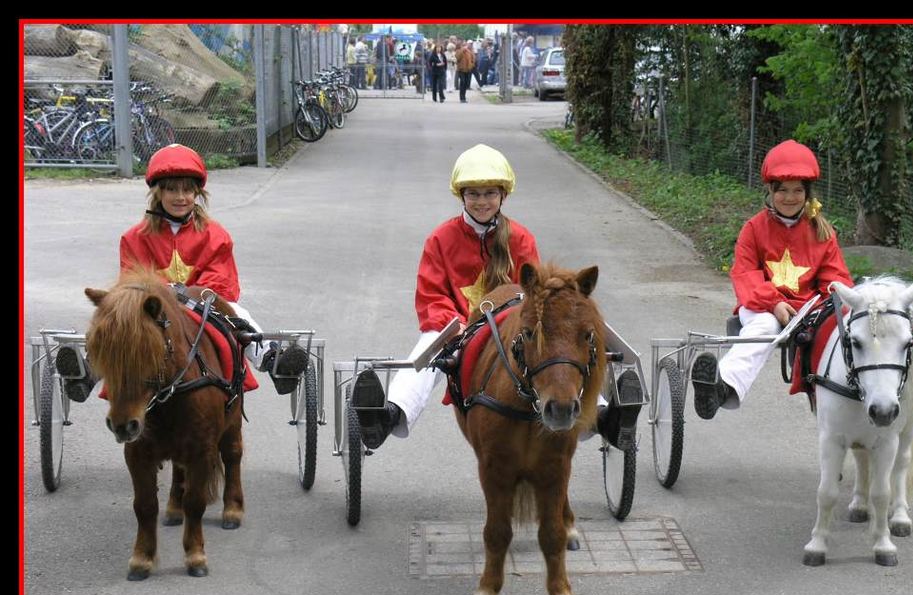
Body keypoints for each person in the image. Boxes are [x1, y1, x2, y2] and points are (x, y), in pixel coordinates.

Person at [351, 144, 642, 451]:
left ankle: (604, 416)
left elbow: (536, 296)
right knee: (428, 351)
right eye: (473, 194)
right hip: (455, 327)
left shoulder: (520, 237)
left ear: (503, 195)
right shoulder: (440, 238)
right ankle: (390, 413)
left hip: (511, 326)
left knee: (562, 350)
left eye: (490, 193)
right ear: (461, 195)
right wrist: (453, 327)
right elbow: (431, 294)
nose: (481, 201)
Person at [54, 144, 309, 402]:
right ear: (158, 192)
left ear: (197, 193)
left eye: (188, 189)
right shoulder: (135, 237)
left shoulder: (215, 234)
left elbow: (222, 280)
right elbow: (131, 283)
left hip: (204, 307)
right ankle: (89, 371)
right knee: (115, 319)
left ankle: (273, 361)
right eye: (172, 189)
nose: (181, 197)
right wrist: (162, 299)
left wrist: (187, 296)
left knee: (240, 315)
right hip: (153, 310)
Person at [691, 139, 853, 420]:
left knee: (840, 330)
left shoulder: (822, 232)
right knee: (765, 325)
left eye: (797, 191)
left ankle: (851, 397)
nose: (790, 198)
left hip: (808, 310)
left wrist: (831, 306)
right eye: (783, 191)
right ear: (770, 190)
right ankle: (722, 387)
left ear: (807, 193)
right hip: (763, 305)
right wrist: (775, 303)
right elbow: (745, 275)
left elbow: (835, 280)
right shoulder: (753, 229)